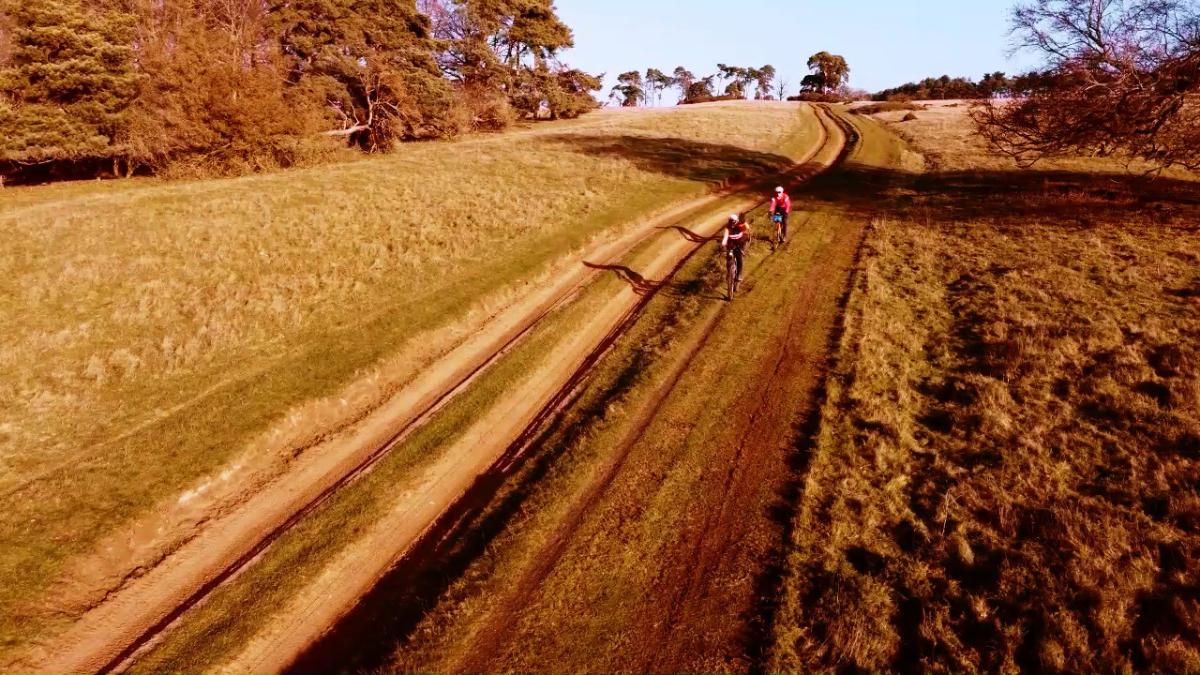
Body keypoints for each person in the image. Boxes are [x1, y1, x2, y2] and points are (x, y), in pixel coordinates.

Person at [720, 212, 750, 283]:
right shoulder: (727, 228)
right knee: (729, 260)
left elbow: (747, 228)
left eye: (734, 222)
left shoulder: (740, 225)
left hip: (740, 244)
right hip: (731, 245)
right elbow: (725, 236)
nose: (732, 223)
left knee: (740, 261)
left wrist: (744, 222)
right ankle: (729, 273)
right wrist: (723, 244)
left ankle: (738, 275)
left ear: (737, 221)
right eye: (731, 221)